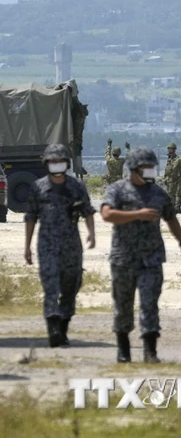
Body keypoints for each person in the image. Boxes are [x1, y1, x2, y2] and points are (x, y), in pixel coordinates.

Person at [101, 147, 181, 363]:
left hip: (151, 259)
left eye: (153, 166)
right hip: (123, 258)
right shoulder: (118, 189)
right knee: (123, 304)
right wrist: (137, 214)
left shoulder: (158, 193)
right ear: (134, 168)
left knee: (149, 303)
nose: (151, 170)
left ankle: (150, 351)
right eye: (147, 167)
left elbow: (171, 218)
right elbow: (107, 214)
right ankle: (123, 350)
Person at [24, 143, 96, 347]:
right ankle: (53, 327)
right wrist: (27, 247)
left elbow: (88, 211)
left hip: (72, 244)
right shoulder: (38, 187)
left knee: (71, 284)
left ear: (67, 163)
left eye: (60, 161)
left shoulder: (76, 187)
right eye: (53, 161)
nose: (57, 164)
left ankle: (64, 322)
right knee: (50, 285)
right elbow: (31, 217)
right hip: (46, 244)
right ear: (47, 163)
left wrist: (91, 233)